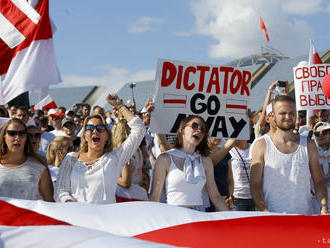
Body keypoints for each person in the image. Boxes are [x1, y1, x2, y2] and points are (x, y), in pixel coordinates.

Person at [55, 94, 145, 203]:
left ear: (107, 136)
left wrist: (119, 106)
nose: (95, 131)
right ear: (84, 135)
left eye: (101, 128)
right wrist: (73, 206)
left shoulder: (115, 158)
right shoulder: (70, 159)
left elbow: (139, 129)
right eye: (90, 128)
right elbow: (61, 191)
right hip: (76, 217)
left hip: (105, 219)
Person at [250, 95, 328, 215]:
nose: (288, 117)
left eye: (292, 113)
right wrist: (265, 212)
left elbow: (318, 181)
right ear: (273, 116)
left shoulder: (309, 144)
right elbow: (255, 184)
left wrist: (324, 207)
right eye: (282, 113)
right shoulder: (261, 145)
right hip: (274, 220)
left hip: (305, 218)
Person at [150, 115, 228, 211]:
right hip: (175, 216)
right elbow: (155, 196)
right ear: (182, 129)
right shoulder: (165, 158)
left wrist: (231, 221)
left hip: (198, 216)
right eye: (194, 126)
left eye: (203, 130)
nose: (199, 130)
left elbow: (215, 196)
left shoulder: (205, 161)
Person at [0, 118, 54, 201]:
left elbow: (49, 200)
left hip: (28, 213)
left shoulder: (39, 166)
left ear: (26, 138)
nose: (17, 138)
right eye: (12, 133)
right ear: (4, 136)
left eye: (22, 133)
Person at [113, 119, 148, 201]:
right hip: (139, 193)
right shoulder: (138, 149)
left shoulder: (125, 152)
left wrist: (110, 176)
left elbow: (126, 182)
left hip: (126, 196)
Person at [228, 140, 254, 211]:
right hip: (237, 197)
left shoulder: (254, 146)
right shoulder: (229, 150)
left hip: (255, 196)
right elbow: (229, 177)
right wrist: (230, 195)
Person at [312, 121, 330, 213]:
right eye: (317, 134)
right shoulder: (309, 153)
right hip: (316, 202)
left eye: (325, 132)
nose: (321, 135)